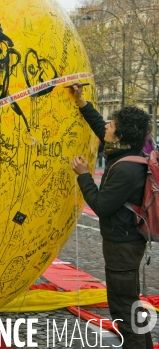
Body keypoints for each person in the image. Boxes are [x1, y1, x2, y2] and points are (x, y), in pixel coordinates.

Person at [69, 83, 153, 349]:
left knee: (123, 305)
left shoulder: (125, 171)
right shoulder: (128, 152)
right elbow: (98, 127)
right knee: (127, 300)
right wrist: (81, 102)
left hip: (123, 246)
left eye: (112, 124)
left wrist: (83, 174)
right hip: (126, 242)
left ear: (119, 135)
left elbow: (101, 206)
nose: (106, 126)